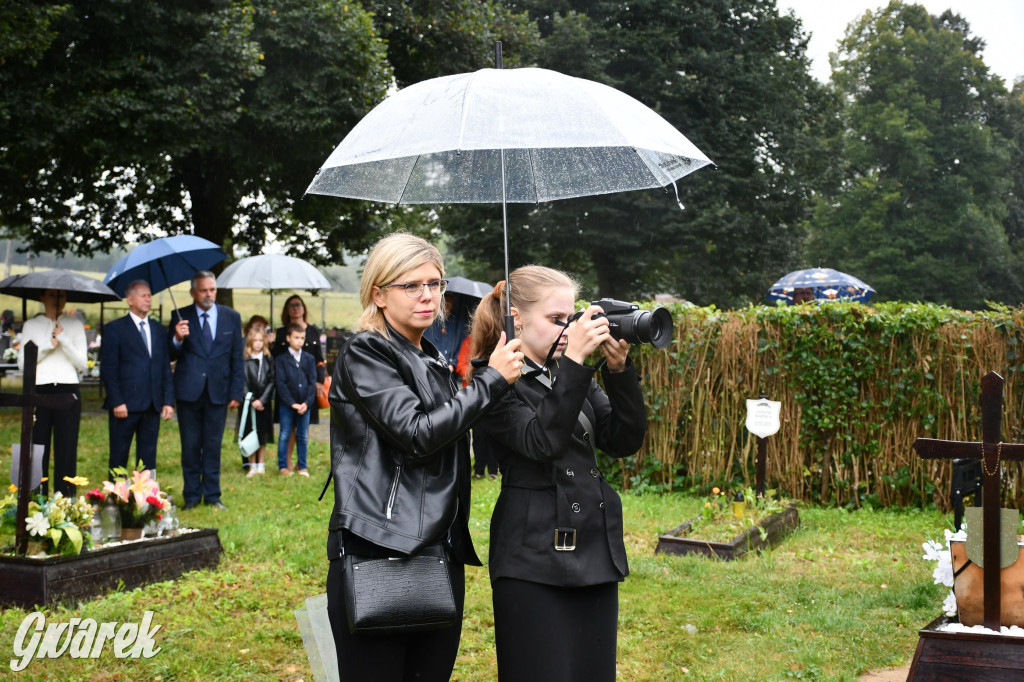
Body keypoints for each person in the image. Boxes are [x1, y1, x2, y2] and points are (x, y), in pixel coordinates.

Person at [325, 232, 524, 681]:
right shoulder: (365, 352)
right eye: (410, 285)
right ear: (379, 294)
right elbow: (415, 434)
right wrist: (491, 382)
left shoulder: (432, 359)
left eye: (434, 284)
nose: (427, 295)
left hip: (438, 548)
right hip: (380, 547)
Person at [470, 266, 648, 682]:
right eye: (555, 320)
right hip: (531, 558)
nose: (567, 329)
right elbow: (540, 443)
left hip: (593, 550)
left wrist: (619, 373)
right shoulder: (494, 380)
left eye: (570, 318)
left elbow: (621, 440)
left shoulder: (569, 373)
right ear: (517, 318)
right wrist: (574, 362)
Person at [169, 271, 244, 510]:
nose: (209, 294)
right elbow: (169, 354)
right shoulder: (180, 316)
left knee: (213, 445)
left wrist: (236, 392)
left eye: (212, 289)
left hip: (218, 391)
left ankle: (213, 495)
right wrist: (177, 339)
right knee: (190, 445)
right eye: (204, 290)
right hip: (188, 391)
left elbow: (236, 358)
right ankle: (191, 496)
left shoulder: (231, 317)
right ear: (193, 292)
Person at [17, 288, 88, 498]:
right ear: (42, 298)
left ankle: (65, 499)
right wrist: (48, 345)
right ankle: (38, 499)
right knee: (38, 447)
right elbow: (23, 364)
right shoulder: (31, 325)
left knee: (66, 448)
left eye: (62, 296)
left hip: (68, 389)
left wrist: (64, 340)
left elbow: (82, 364)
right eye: (52, 295)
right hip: (40, 389)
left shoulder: (74, 325)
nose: (58, 300)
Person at [100, 280, 175, 477]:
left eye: (149, 296)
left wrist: (168, 400)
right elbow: (109, 369)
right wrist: (117, 401)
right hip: (125, 406)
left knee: (148, 456)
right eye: (143, 296)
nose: (148, 300)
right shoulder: (115, 329)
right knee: (119, 455)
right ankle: (116, 499)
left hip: (152, 404)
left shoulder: (159, 330)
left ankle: (147, 501)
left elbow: (164, 368)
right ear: (130, 300)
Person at [272, 295, 325, 472]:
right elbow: (275, 360)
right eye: (291, 305)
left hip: (308, 387)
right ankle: (285, 462)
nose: (295, 308)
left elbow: (319, 359)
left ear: (303, 308)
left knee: (304, 428)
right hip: (287, 386)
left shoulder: (312, 332)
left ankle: (300, 464)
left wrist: (320, 380)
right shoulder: (281, 333)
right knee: (287, 429)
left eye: (298, 305)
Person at [274, 323, 316, 477]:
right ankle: (283, 466)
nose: (299, 341)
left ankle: (302, 466)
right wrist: (292, 403)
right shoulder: (281, 359)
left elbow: (312, 382)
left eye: (302, 338)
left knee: (302, 436)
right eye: (296, 337)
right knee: (285, 434)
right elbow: (281, 383)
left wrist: (306, 403)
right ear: (288, 338)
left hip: (305, 404)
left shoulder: (309, 359)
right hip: (287, 404)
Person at [239, 322, 275, 477]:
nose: (258, 344)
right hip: (249, 403)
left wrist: (263, 400)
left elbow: (272, 380)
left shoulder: (268, 359)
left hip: (264, 403)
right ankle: (252, 464)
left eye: (261, 341)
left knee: (262, 433)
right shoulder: (245, 360)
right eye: (256, 341)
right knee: (250, 433)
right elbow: (242, 382)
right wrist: (252, 400)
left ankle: (261, 463)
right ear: (250, 342)